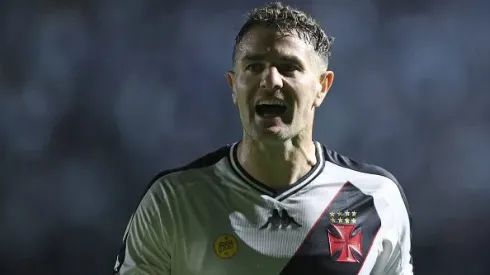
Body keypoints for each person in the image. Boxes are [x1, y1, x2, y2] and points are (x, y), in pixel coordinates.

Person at [113, 2, 413, 274]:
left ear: (322, 86)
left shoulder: (374, 198)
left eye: (289, 67)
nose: (270, 80)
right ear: (234, 85)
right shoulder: (173, 201)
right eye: (254, 67)